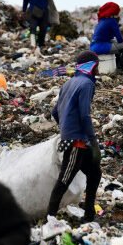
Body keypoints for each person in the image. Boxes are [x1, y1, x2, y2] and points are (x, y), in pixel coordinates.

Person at [48, 51, 102, 222]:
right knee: (64, 179)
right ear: (91, 66)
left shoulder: (69, 83)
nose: (98, 70)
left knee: (95, 173)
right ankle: (50, 219)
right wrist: (93, 141)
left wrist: (65, 127)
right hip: (77, 142)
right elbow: (84, 115)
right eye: (97, 66)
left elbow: (55, 112)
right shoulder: (86, 84)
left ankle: (89, 215)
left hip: (77, 139)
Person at [90, 2, 123, 70]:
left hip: (93, 47)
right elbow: (120, 40)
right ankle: (120, 67)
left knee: (116, 45)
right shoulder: (111, 21)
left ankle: (116, 65)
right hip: (101, 47)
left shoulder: (101, 20)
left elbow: (108, 37)